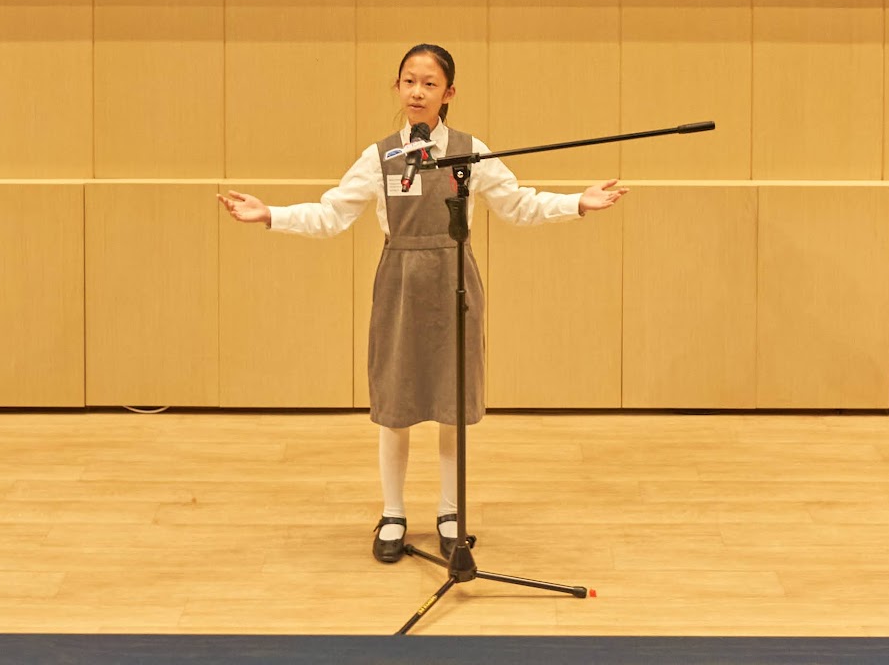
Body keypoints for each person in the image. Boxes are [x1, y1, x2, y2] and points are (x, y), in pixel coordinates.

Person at [217, 42, 626, 565]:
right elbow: (332, 214)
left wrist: (577, 203)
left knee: (452, 404)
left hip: (454, 278)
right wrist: (270, 214)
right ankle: (393, 513)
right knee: (397, 403)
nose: (417, 91)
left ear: (448, 93)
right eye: (409, 81)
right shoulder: (381, 156)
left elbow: (518, 203)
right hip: (400, 284)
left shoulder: (470, 151)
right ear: (397, 87)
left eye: (430, 83)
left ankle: (451, 512)